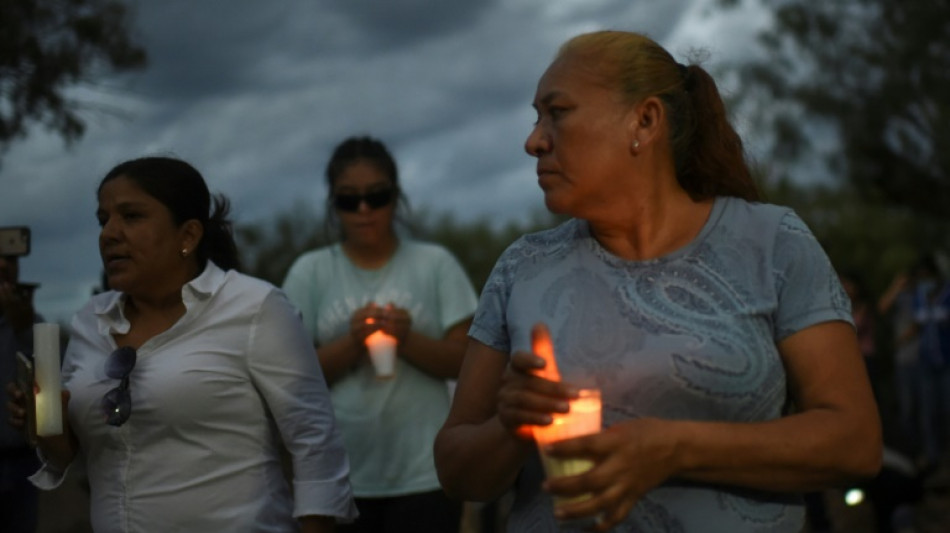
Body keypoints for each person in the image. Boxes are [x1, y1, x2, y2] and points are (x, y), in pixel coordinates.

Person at [433, 30, 882, 532]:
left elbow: (855, 442)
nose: (534, 139)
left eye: (557, 113)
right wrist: (510, 428)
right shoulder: (523, 267)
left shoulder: (773, 243)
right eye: (536, 117)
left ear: (644, 121)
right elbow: (456, 472)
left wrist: (674, 448)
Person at [7, 156, 356, 532]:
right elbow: (71, 453)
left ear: (188, 236)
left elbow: (314, 441)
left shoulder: (255, 308)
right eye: (103, 219)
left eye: (131, 216)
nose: (109, 233)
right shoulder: (90, 321)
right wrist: (45, 423)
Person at [281, 136, 478, 533]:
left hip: (425, 473)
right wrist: (353, 344)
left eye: (377, 196)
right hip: (340, 475)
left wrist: (407, 339)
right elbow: (289, 375)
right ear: (333, 205)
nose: (364, 209)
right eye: (349, 200)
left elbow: (470, 363)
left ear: (395, 196)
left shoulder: (434, 264)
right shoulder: (311, 271)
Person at [0, 253, 42, 533]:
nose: (4, 266)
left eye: (10, 259)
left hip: (21, 461)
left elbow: (55, 384)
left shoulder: (32, 322)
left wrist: (25, 329)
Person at [909, 254, 950, 473]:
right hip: (925, 362)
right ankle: (932, 457)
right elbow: (917, 325)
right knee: (928, 412)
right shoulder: (919, 296)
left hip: (946, 361)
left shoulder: (947, 294)